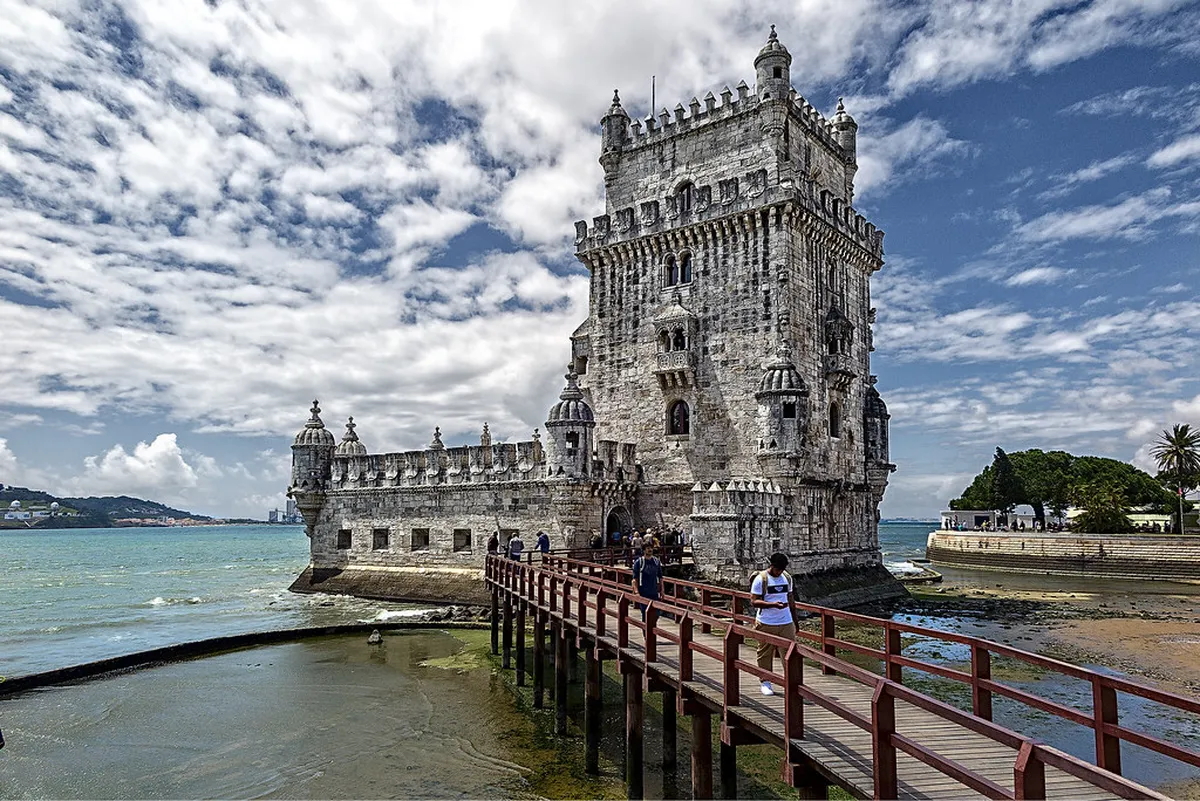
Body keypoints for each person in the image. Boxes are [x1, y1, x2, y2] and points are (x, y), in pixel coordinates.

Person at [750, 552, 799, 696]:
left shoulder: (787, 578)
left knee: (790, 653)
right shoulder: (761, 579)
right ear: (772, 566)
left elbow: (791, 599)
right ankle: (765, 681)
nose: (780, 572)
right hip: (766, 622)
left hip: (786, 621)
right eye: (778, 569)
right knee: (765, 652)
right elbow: (753, 601)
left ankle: (791, 682)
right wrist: (772, 605)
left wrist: (796, 621)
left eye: (782, 570)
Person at [632, 544, 664, 621]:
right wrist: (636, 592)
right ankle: (646, 632)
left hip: (654, 592)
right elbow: (634, 579)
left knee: (656, 614)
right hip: (643, 592)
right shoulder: (639, 562)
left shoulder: (656, 562)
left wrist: (662, 591)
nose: (650, 550)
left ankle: (651, 631)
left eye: (651, 548)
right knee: (645, 614)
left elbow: (660, 577)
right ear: (644, 550)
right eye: (648, 548)